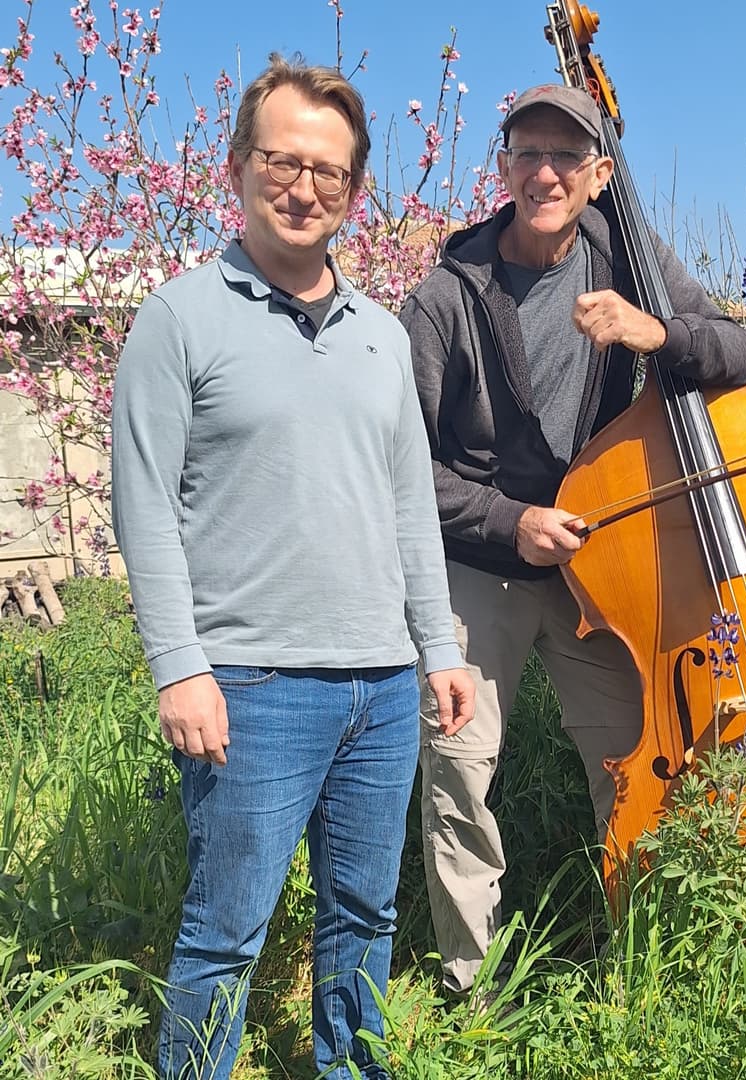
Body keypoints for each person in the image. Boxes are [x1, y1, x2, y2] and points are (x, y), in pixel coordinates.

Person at [111, 54, 474, 1080]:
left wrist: (436, 648)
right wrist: (180, 666)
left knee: (364, 919)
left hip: (383, 688)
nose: (304, 185)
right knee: (228, 933)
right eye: (284, 159)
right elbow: (140, 504)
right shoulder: (180, 319)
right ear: (238, 165)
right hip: (250, 686)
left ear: (353, 190)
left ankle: (351, 1070)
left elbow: (409, 502)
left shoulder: (382, 337)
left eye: (331, 170)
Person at [399, 83, 746, 995]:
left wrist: (657, 332)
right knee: (459, 772)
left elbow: (742, 355)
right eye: (527, 152)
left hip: (603, 568)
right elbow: (400, 467)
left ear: (600, 175)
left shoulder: (629, 260)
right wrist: (507, 522)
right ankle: (465, 985)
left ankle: (642, 961)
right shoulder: (446, 297)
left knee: (633, 757)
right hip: (483, 563)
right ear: (505, 166)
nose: (546, 171)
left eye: (567, 155)